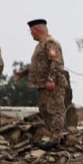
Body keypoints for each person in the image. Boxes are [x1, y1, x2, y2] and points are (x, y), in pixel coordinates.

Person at [13, 19, 67, 150]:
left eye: (31, 32)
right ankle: (55, 136)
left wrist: (51, 79)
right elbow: (38, 65)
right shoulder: (41, 45)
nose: (31, 34)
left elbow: (56, 62)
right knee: (44, 110)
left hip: (52, 85)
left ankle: (55, 139)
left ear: (37, 30)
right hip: (41, 85)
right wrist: (23, 73)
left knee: (55, 110)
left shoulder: (50, 43)